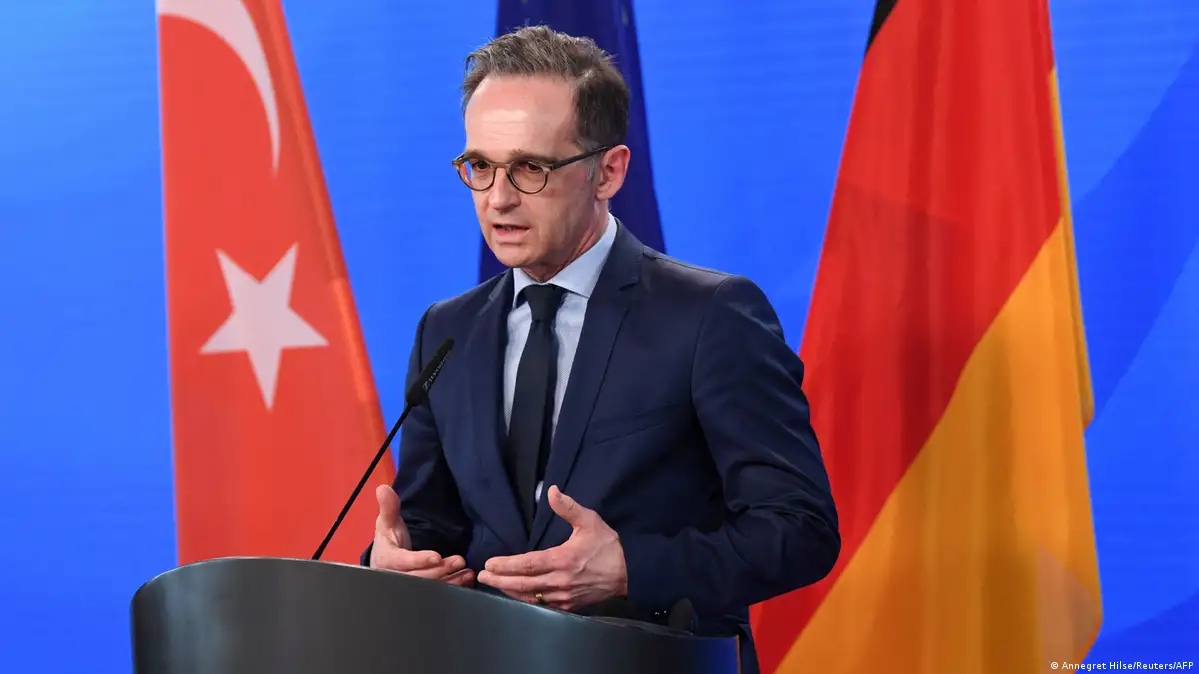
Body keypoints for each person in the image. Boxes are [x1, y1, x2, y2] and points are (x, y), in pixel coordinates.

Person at [362, 25, 840, 674]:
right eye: (480, 166)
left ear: (608, 171)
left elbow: (800, 528)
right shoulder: (448, 330)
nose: (498, 199)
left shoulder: (709, 316)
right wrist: (394, 563)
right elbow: (432, 526)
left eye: (530, 168)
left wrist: (630, 569)